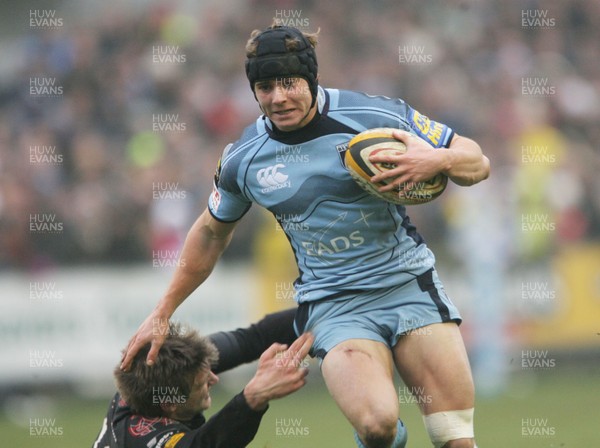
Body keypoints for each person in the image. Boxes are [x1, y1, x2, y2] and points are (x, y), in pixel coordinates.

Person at [121, 23, 490, 448]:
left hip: (409, 287)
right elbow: (209, 233)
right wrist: (163, 309)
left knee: (455, 438)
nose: (278, 97)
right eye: (264, 87)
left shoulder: (374, 116)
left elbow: (476, 161)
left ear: (310, 79)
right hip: (335, 306)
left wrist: (437, 160)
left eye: (288, 83)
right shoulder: (244, 159)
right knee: (378, 426)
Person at [94, 321, 312, 448]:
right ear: (171, 404)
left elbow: (252, 339)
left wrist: (316, 314)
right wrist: (252, 397)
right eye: (201, 384)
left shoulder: (165, 369)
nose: (214, 379)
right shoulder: (141, 439)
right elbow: (205, 444)